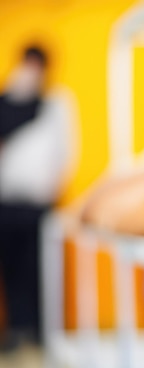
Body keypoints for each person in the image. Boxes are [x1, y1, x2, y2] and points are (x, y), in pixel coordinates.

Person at [0, 45, 71, 351]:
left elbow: (67, 151)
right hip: (6, 200)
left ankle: (42, 332)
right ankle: (17, 327)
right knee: (11, 268)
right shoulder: (7, 101)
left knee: (41, 269)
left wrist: (52, 188)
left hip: (39, 201)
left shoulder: (54, 104)